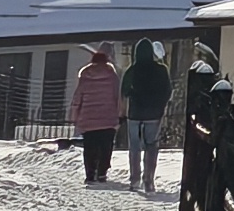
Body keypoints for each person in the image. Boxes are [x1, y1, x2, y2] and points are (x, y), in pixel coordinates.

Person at [122, 39, 172, 199]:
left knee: (134, 147)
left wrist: (133, 95)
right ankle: (149, 180)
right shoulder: (161, 70)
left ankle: (134, 179)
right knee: (151, 146)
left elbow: (124, 90)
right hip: (153, 114)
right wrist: (160, 105)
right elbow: (167, 90)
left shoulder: (132, 70)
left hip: (135, 113)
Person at [71, 45, 121, 186]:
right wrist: (120, 114)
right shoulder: (112, 76)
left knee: (90, 147)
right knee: (106, 146)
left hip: (88, 118)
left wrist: (75, 116)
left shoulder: (85, 76)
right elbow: (117, 97)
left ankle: (90, 174)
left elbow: (78, 97)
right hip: (108, 117)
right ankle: (102, 172)